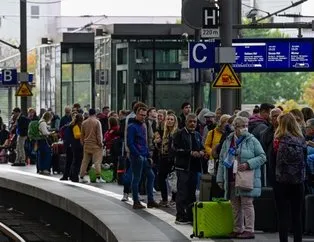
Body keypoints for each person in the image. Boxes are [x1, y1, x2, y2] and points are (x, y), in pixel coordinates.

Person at [217, 116, 266, 239]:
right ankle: (238, 228)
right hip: (231, 176)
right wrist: (220, 178)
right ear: (235, 127)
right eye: (242, 125)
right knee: (235, 204)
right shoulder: (228, 140)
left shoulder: (252, 140)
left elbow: (262, 157)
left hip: (245, 177)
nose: (245, 128)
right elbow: (222, 160)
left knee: (247, 203)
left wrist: (248, 164)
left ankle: (249, 229)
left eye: (246, 125)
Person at [273, 113, 306, 242]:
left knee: (282, 216)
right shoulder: (301, 140)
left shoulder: (278, 140)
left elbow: (273, 161)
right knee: (297, 216)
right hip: (298, 182)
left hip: (282, 182)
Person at [173, 113, 206, 224]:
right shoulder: (179, 134)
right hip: (183, 167)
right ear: (186, 122)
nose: (192, 124)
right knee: (182, 192)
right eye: (190, 121)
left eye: (194, 122)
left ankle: (190, 215)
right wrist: (190, 153)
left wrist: (202, 152)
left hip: (194, 167)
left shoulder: (197, 134)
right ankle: (180, 215)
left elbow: (201, 147)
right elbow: (175, 150)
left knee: (192, 193)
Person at [127, 106, 159, 209]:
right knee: (137, 178)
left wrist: (147, 155)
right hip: (137, 156)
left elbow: (144, 142)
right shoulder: (132, 126)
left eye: (144, 115)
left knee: (150, 176)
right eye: (141, 115)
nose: (143, 117)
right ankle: (136, 201)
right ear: (136, 114)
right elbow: (130, 143)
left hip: (143, 155)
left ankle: (150, 200)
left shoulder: (143, 125)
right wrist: (138, 154)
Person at [79, 108, 105, 183]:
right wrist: (101, 143)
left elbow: (82, 135)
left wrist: (82, 143)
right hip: (96, 145)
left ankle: (81, 176)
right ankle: (98, 177)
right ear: (95, 114)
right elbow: (99, 135)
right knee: (97, 162)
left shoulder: (84, 122)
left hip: (87, 144)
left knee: (85, 161)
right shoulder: (97, 122)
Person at [158, 113, 178, 207]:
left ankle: (174, 199)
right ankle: (164, 198)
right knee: (161, 178)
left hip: (172, 159)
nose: (169, 121)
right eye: (168, 119)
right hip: (163, 158)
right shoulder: (164, 133)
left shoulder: (177, 133)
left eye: (172, 119)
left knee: (173, 179)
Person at [260, 108, 282, 187]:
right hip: (271, 165)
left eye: (279, 116)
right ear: (270, 119)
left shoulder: (288, 131)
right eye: (274, 116)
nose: (277, 118)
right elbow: (263, 149)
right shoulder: (266, 133)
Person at [69, 113, 84, 182]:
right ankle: (74, 177)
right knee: (77, 161)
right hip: (77, 145)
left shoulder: (73, 125)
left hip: (75, 145)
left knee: (75, 161)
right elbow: (76, 135)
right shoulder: (76, 126)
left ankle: (72, 176)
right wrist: (83, 134)